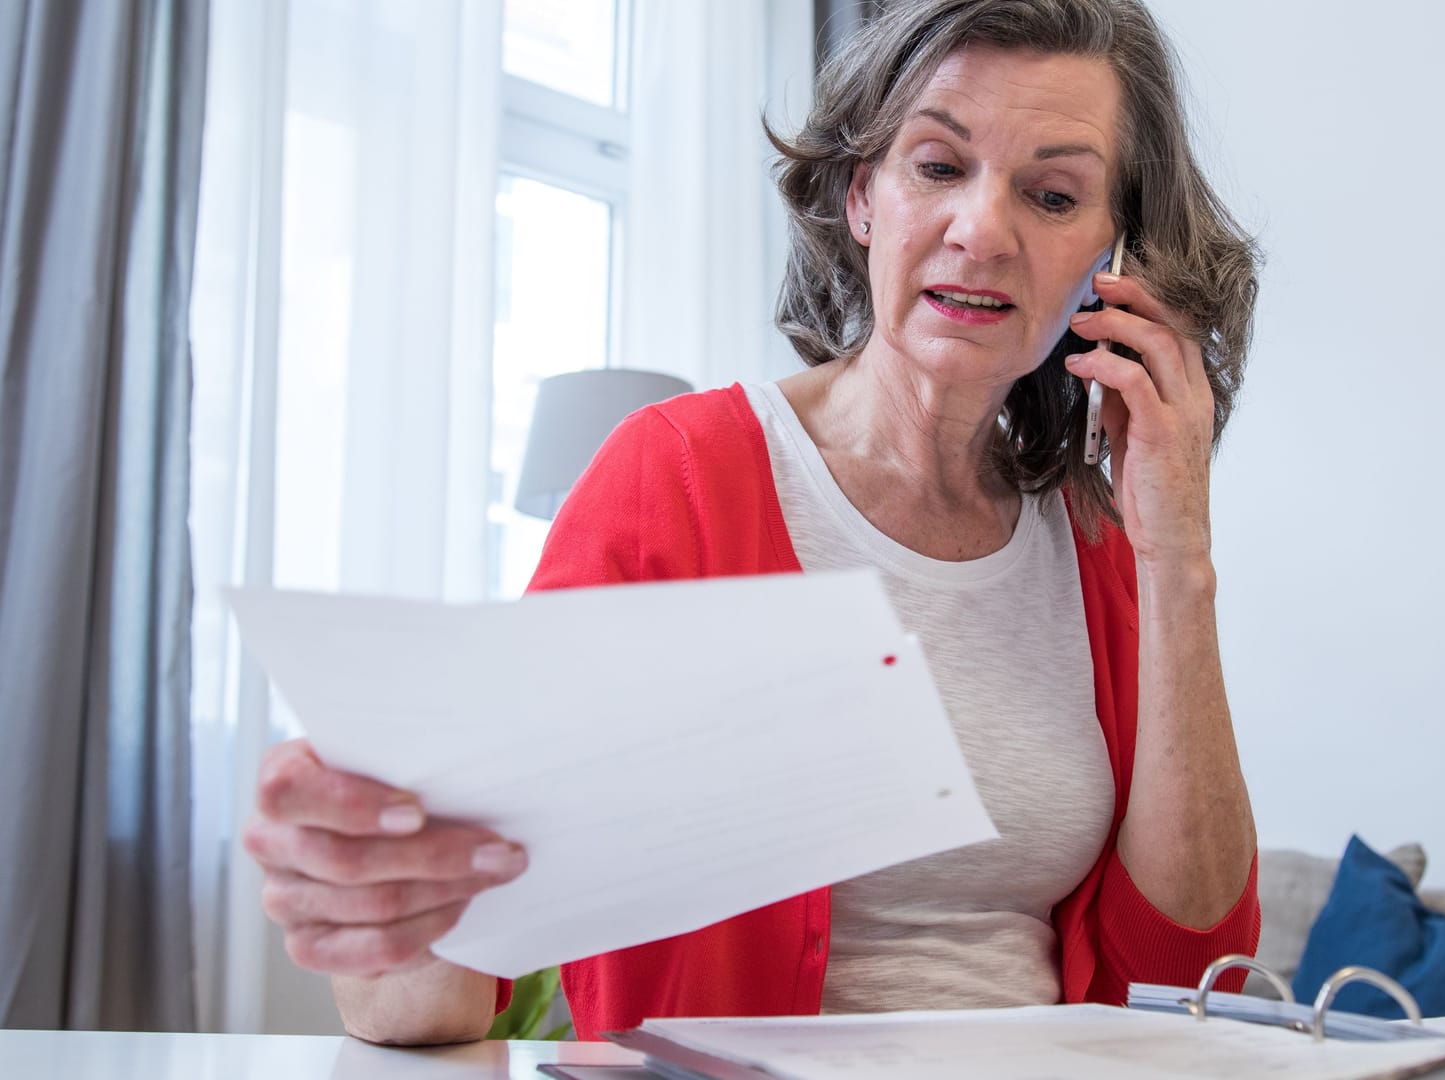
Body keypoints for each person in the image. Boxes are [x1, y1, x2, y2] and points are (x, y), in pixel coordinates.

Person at [243, 0, 1263, 1046]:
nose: (983, 231)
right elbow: (451, 980)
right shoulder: (674, 476)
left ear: (1114, 258)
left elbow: (1188, 973)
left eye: (1052, 195)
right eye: (937, 167)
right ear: (863, 196)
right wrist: (378, 909)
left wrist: (1180, 558)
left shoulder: (1095, 538)